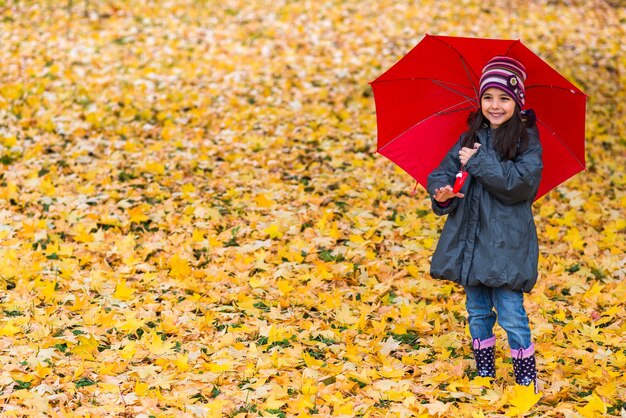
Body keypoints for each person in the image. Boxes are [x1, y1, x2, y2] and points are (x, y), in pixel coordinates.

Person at [427, 56, 543, 391]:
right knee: (477, 311)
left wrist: (479, 162)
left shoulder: (526, 143)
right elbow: (442, 173)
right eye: (488, 97)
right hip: (472, 241)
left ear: (517, 102)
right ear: (479, 100)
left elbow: (518, 185)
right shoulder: (469, 139)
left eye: (504, 98)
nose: (495, 105)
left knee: (511, 313)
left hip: (507, 243)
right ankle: (485, 375)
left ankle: (526, 380)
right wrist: (443, 192)